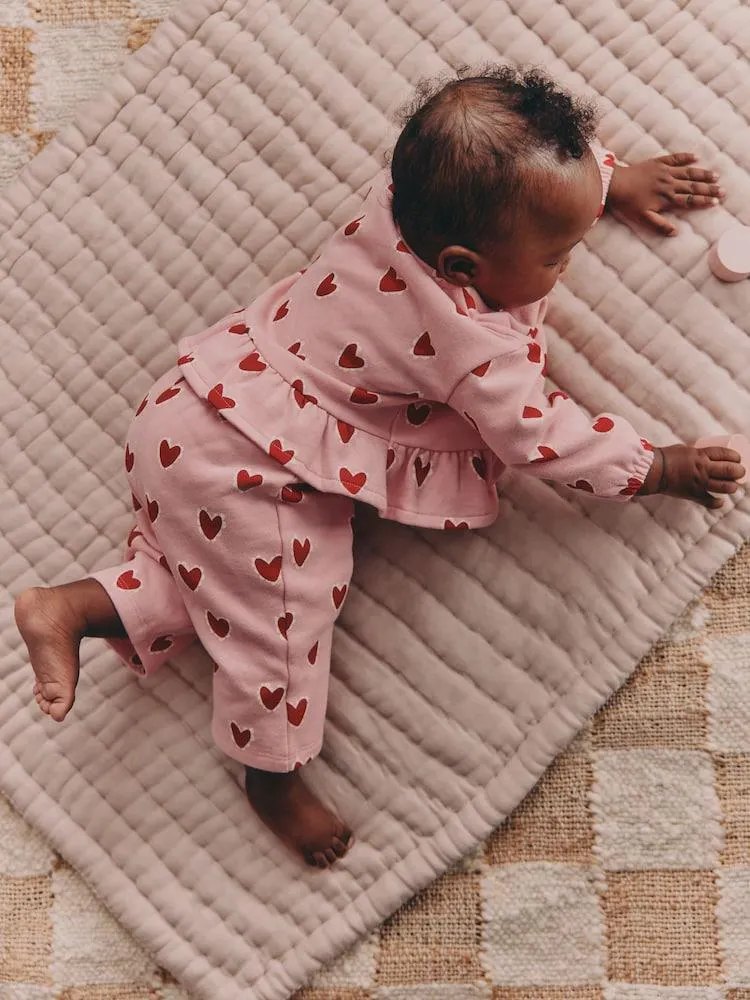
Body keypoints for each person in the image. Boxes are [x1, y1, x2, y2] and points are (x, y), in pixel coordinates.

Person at [14, 64, 744, 870]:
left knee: (218, 583)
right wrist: (658, 466)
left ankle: (79, 607)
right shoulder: (473, 349)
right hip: (252, 471)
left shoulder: (403, 203)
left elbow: (510, 174)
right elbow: (544, 438)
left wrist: (609, 179)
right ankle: (270, 771)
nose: (566, 262)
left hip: (193, 404)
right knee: (282, 631)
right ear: (465, 267)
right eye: (560, 252)